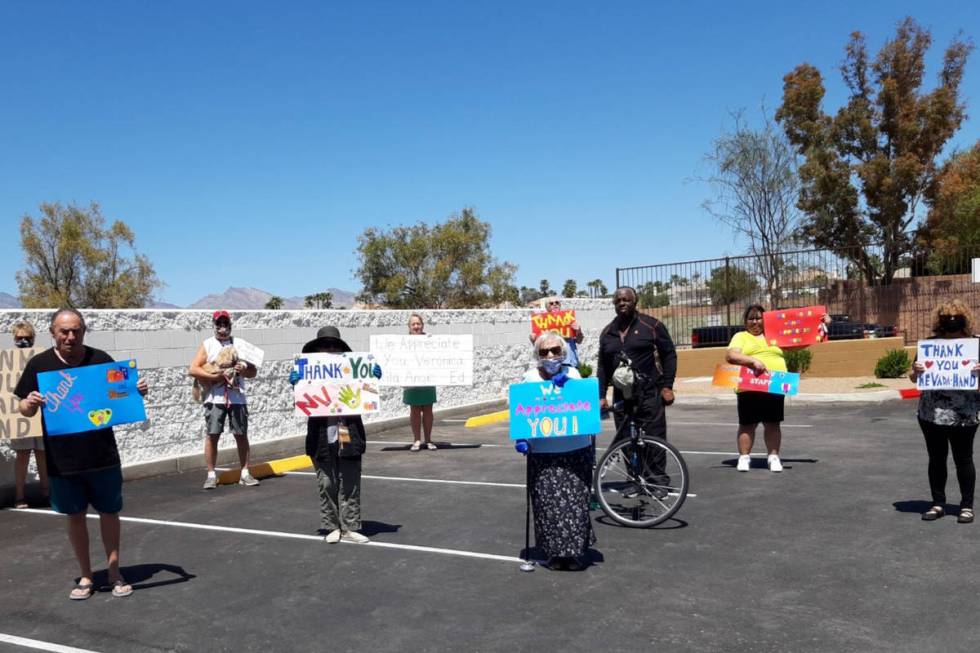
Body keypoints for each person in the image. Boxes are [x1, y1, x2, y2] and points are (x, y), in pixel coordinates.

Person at [14, 308, 148, 600]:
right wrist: (30, 402)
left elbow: (123, 395)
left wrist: (137, 390)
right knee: (75, 516)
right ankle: (86, 576)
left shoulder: (100, 361)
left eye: (76, 330)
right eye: (64, 331)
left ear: (84, 331)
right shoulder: (39, 365)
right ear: (52, 333)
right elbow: (23, 408)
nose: (70, 337)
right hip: (63, 460)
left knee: (109, 513)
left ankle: (114, 573)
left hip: (103, 456)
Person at [290, 326, 378, 543]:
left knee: (349, 480)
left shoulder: (353, 371)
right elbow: (303, 399)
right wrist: (296, 382)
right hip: (321, 434)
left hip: (347, 430)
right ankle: (331, 526)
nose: (329, 349)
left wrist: (373, 379)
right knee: (327, 482)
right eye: (325, 346)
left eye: (334, 346)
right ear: (317, 349)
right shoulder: (307, 373)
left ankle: (350, 527)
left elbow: (367, 393)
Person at [516, 332, 596, 570]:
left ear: (563, 352)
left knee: (575, 505)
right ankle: (553, 554)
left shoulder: (573, 374)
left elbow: (586, 406)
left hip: (575, 450)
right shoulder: (529, 379)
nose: (550, 356)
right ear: (537, 355)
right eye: (544, 352)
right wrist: (521, 438)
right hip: (542, 454)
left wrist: (568, 386)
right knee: (547, 505)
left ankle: (573, 554)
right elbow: (521, 411)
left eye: (555, 351)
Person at [596, 287, 677, 484]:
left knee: (654, 438)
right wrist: (601, 395)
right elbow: (603, 367)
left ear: (635, 302)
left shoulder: (651, 325)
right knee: (625, 440)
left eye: (626, 300)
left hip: (649, 393)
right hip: (622, 396)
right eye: (618, 301)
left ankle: (658, 482)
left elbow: (669, 355)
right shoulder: (608, 332)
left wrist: (667, 386)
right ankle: (634, 480)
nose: (622, 303)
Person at [909, 299, 980, 523]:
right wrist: (916, 370)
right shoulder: (930, 346)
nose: (951, 322)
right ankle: (938, 503)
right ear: (938, 321)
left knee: (964, 459)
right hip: (932, 413)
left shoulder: (975, 345)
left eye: (956, 318)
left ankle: (966, 506)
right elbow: (913, 378)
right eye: (946, 318)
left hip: (965, 413)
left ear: (965, 319)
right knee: (936, 459)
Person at [189, 310, 259, 490]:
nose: (222, 328)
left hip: (237, 397)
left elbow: (253, 372)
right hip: (215, 398)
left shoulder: (240, 344)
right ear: (214, 325)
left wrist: (243, 369)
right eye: (219, 324)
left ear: (230, 325)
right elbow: (193, 369)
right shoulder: (208, 344)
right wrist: (215, 377)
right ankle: (211, 475)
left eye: (225, 324)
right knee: (212, 435)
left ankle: (245, 473)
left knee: (241, 434)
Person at [725, 304, 788, 473]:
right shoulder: (741, 337)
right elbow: (731, 355)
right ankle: (744, 457)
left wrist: (822, 326)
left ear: (765, 319)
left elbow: (801, 341)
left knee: (773, 423)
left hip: (774, 383)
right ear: (746, 321)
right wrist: (752, 361)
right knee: (747, 423)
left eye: (758, 318)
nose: (755, 322)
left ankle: (773, 457)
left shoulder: (774, 336)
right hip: (749, 385)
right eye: (751, 318)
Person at [9, 321, 48, 509]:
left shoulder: (41, 359)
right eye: (19, 338)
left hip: (40, 414)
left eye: (27, 338)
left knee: (42, 454)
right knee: (22, 456)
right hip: (19, 417)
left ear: (33, 338)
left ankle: (46, 492)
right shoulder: (6, 362)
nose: (23, 341)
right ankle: (19, 496)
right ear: (13, 339)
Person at [403, 313, 437, 451]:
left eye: (418, 324)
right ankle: (416, 440)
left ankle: (428, 440)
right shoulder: (402, 342)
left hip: (428, 380)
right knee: (415, 410)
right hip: (411, 382)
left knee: (428, 409)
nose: (416, 326)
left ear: (422, 325)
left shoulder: (430, 339)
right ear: (409, 327)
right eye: (413, 324)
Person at [529, 298, 585, 367]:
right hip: (553, 364)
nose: (555, 304)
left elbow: (579, 341)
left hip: (571, 362)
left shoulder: (568, 319)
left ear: (560, 305)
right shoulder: (542, 323)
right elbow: (539, 349)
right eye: (551, 303)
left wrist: (578, 331)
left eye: (557, 302)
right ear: (546, 307)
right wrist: (534, 341)